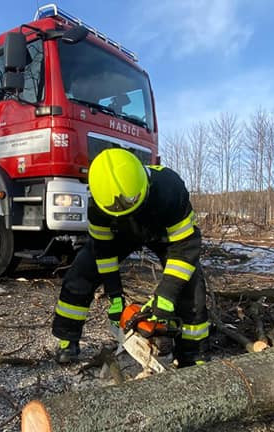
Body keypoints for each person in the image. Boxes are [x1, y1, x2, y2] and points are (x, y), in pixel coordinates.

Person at [51, 148, 210, 366]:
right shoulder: (98, 206)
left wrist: (166, 294)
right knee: (81, 271)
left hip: (164, 233)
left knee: (192, 284)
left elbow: (186, 246)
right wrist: (115, 295)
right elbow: (103, 252)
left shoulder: (169, 188)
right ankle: (67, 340)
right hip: (122, 234)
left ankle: (193, 353)